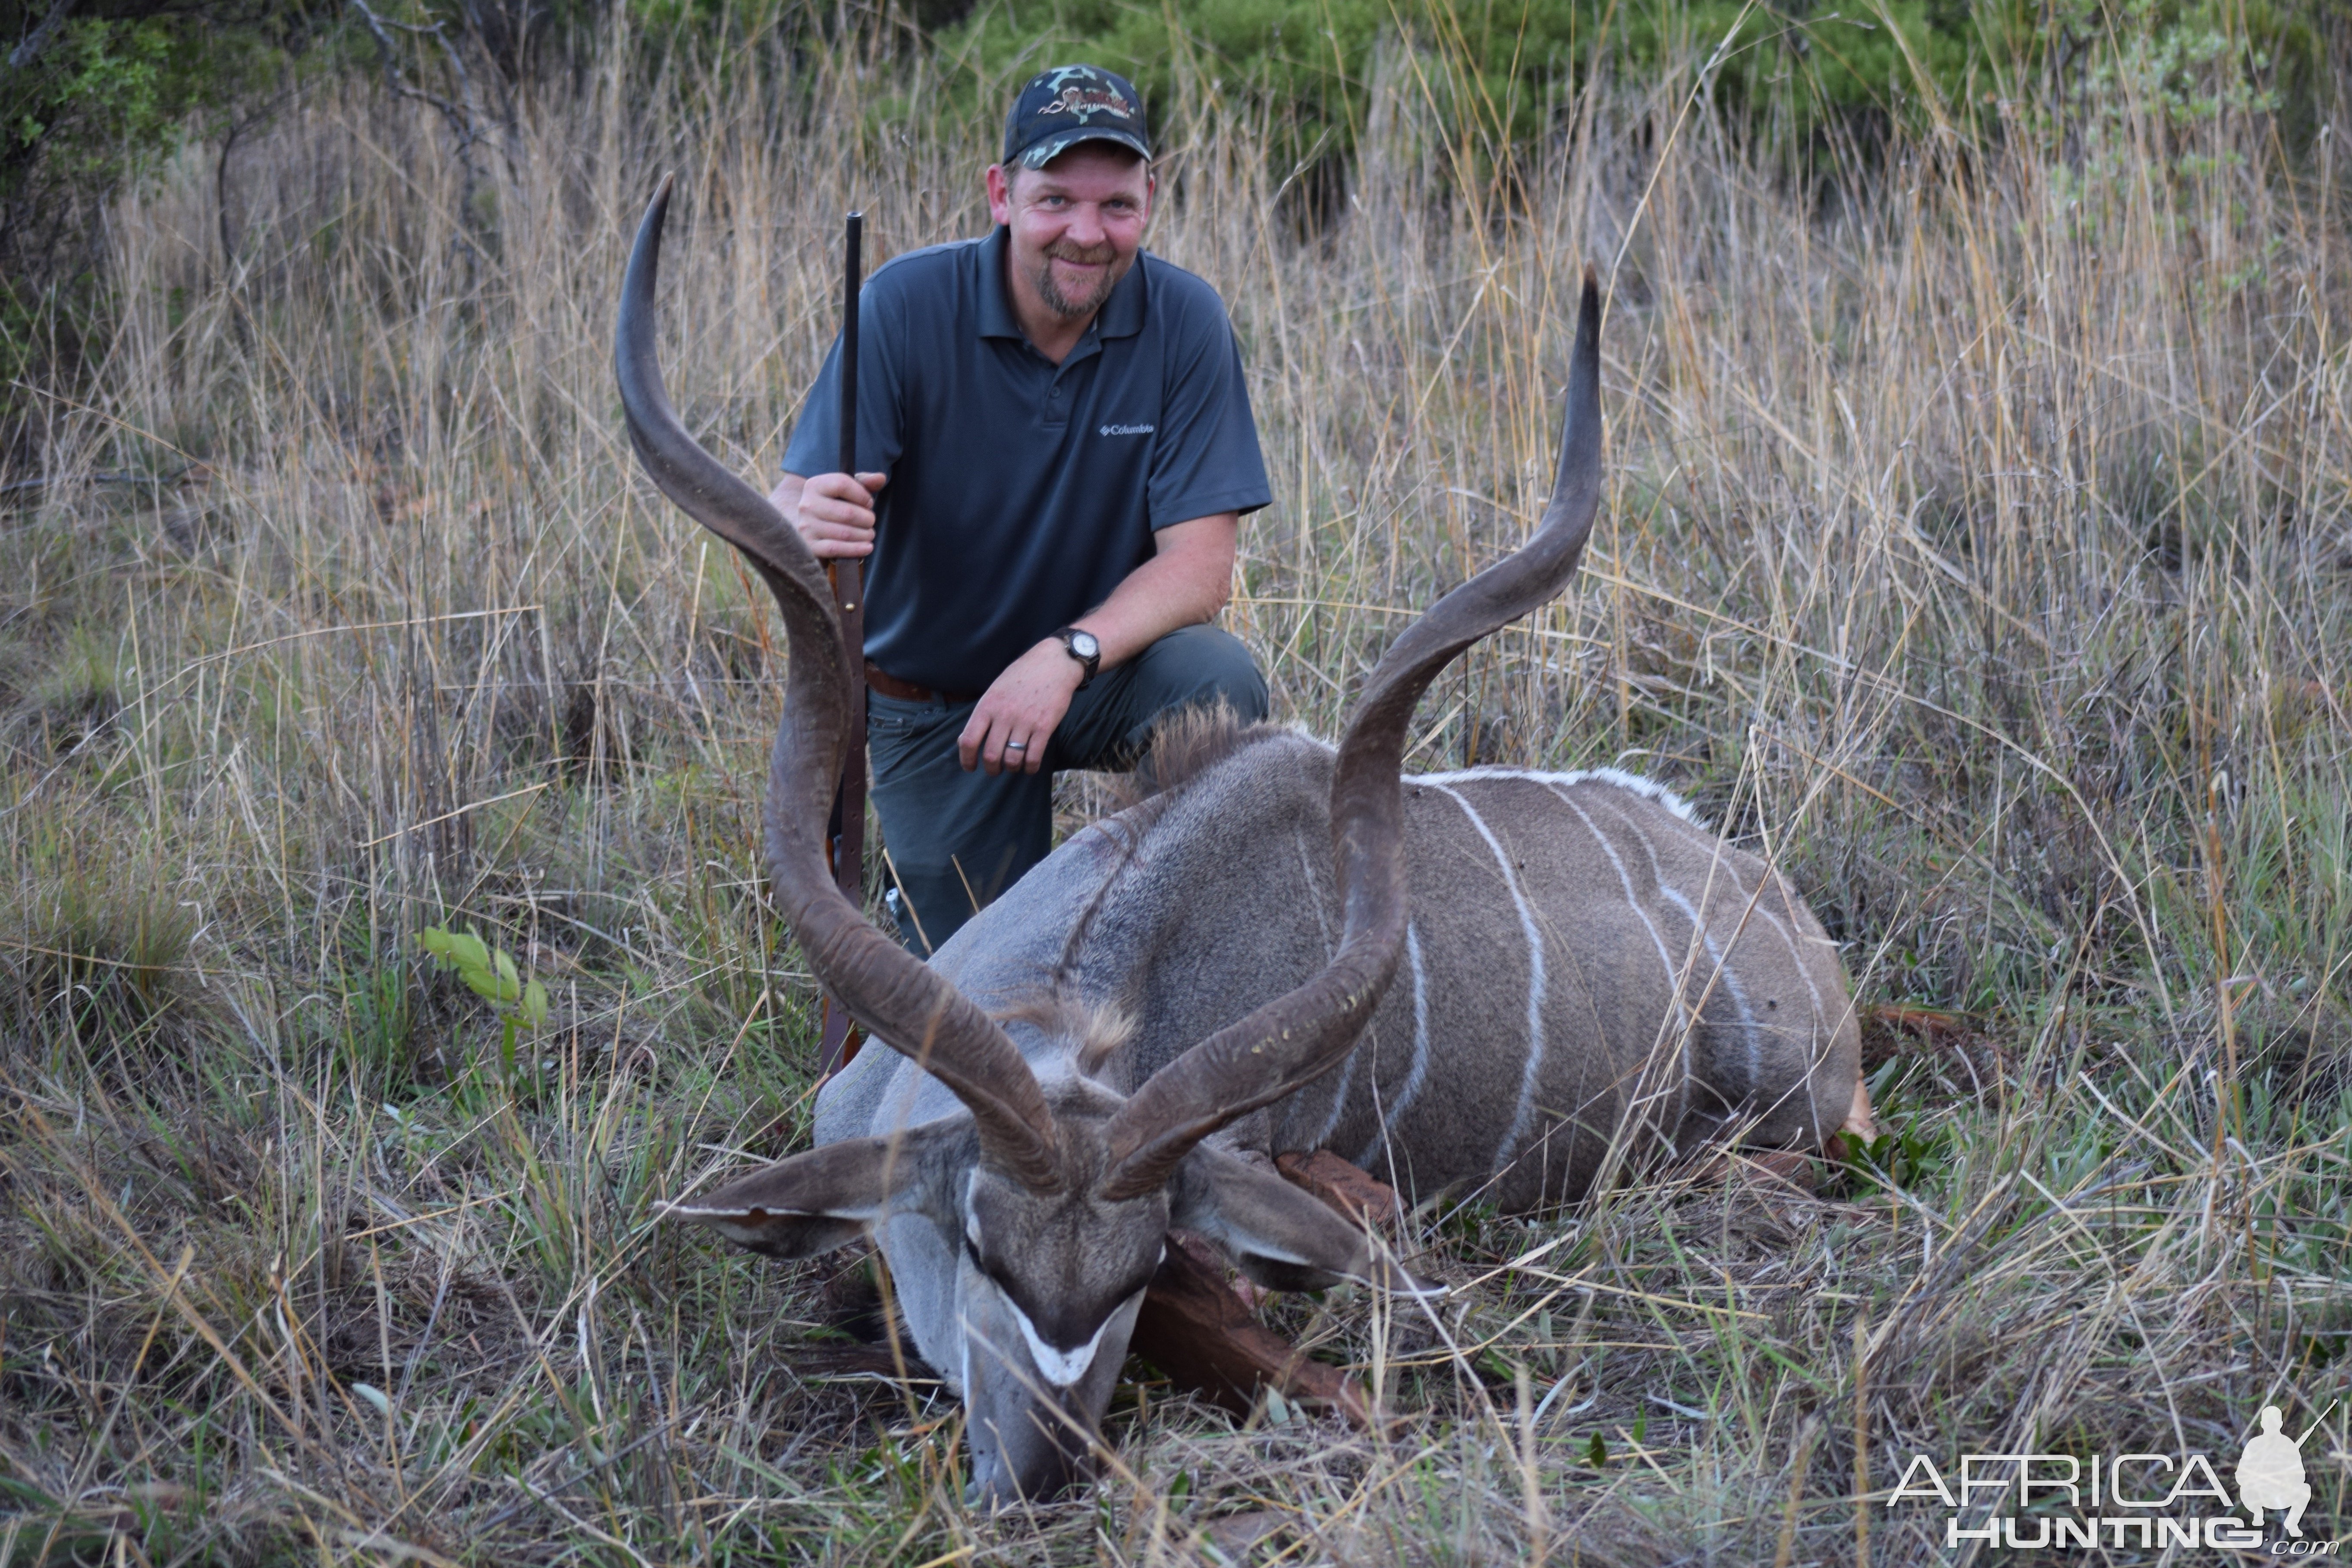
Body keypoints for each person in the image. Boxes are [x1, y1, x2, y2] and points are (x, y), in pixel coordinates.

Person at [772, 65, 1272, 955]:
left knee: (1215, 682)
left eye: (1115, 204)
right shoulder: (903, 303)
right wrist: (804, 525)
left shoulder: (1186, 319)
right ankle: (932, 894)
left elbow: (1200, 567)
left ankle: (1171, 919)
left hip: (1090, 676)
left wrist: (1065, 655)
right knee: (977, 994)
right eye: (1054, 201)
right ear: (1001, 194)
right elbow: (790, 510)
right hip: (935, 706)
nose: (1086, 235)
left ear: (1149, 197)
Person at [2236, 1405, 2311, 1536]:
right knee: (2246, 1489)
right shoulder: (2254, 1445)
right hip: (2258, 1495)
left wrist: (2286, 1474)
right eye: (2268, 1422)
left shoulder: (2288, 1445)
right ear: (2262, 1424)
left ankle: (2292, 1523)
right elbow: (2241, 1474)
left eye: (2274, 1422)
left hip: (2282, 1494)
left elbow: (2301, 1475)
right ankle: (2258, 1515)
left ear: (2281, 1424)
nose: (2271, 1426)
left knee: (2305, 1490)